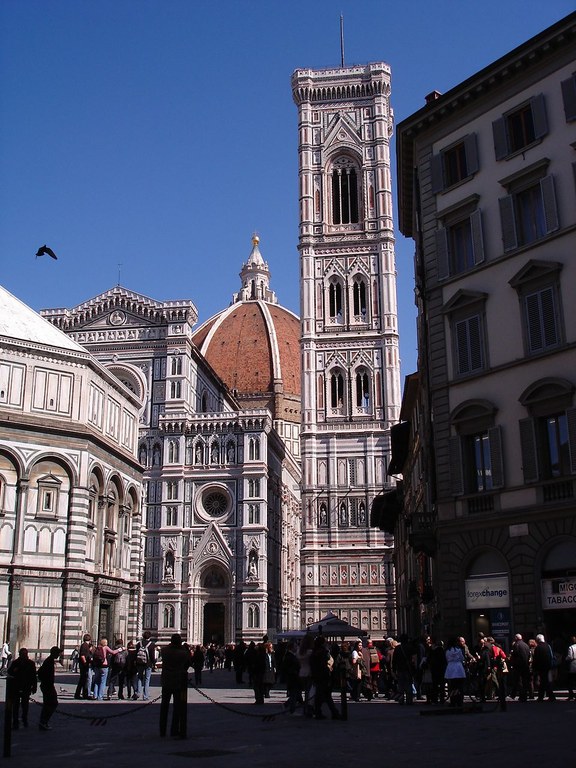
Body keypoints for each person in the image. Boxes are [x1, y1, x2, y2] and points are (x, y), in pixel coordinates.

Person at [159, 633, 191, 739]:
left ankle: (162, 730)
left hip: (166, 681)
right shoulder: (183, 653)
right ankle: (174, 729)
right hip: (179, 682)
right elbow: (188, 661)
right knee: (178, 707)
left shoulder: (164, 651)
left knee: (164, 706)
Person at [310, 635, 341, 720]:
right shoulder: (323, 651)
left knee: (320, 695)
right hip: (323, 675)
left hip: (317, 675)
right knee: (326, 695)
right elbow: (325, 661)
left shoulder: (314, 652)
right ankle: (333, 713)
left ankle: (319, 712)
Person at [6, 648, 37, 729]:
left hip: (26, 686)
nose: (24, 656)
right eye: (23, 654)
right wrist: (15, 670)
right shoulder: (16, 663)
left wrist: (34, 686)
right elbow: (9, 672)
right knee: (16, 705)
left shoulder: (30, 663)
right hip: (16, 687)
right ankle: (16, 721)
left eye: (25, 654)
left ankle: (24, 719)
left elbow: (33, 676)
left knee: (25, 705)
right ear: (20, 655)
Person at [37, 646, 62, 730]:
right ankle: (43, 721)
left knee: (49, 703)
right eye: (58, 653)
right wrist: (46, 681)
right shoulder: (49, 661)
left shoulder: (49, 660)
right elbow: (41, 672)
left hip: (48, 685)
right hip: (48, 686)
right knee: (52, 703)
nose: (59, 654)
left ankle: (43, 721)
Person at [280, 639, 302, 714]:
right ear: (292, 647)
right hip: (292, 678)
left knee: (296, 694)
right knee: (294, 695)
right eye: (295, 646)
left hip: (294, 677)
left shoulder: (292, 655)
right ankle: (291, 710)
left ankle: (287, 706)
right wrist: (294, 672)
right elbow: (287, 668)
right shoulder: (289, 656)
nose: (297, 648)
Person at [532, 633, 555, 702]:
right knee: (545, 681)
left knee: (543, 681)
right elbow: (551, 656)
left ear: (538, 640)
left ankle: (543, 696)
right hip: (548, 666)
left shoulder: (538, 648)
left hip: (541, 667)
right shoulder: (548, 646)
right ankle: (549, 696)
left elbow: (536, 659)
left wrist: (535, 668)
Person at [444, 637, 466, 707]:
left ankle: (453, 700)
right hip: (458, 668)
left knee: (452, 686)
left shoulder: (447, 651)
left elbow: (447, 659)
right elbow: (462, 658)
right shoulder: (458, 650)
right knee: (459, 686)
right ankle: (460, 700)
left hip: (451, 668)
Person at [134, 630, 156, 700]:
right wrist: (154, 663)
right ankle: (145, 696)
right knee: (147, 679)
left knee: (139, 678)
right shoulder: (151, 644)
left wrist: (135, 661)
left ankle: (137, 693)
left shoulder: (138, 644)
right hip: (148, 664)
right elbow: (152, 656)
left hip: (139, 663)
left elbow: (136, 654)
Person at [509, 633, 531, 702]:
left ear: (516, 638)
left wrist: (512, 663)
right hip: (526, 665)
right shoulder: (526, 645)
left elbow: (514, 655)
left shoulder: (516, 645)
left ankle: (521, 695)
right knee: (525, 681)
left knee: (519, 681)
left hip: (518, 666)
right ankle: (524, 695)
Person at [74, 633, 92, 699]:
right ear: (89, 639)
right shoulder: (85, 646)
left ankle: (82, 694)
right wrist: (85, 663)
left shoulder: (84, 645)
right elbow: (82, 655)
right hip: (84, 666)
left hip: (83, 665)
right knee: (83, 680)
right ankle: (81, 694)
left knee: (83, 681)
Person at [566, 635, 576, 701]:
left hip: (573, 664)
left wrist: (565, 659)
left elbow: (570, 657)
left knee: (570, 681)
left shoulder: (571, 647)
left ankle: (571, 695)